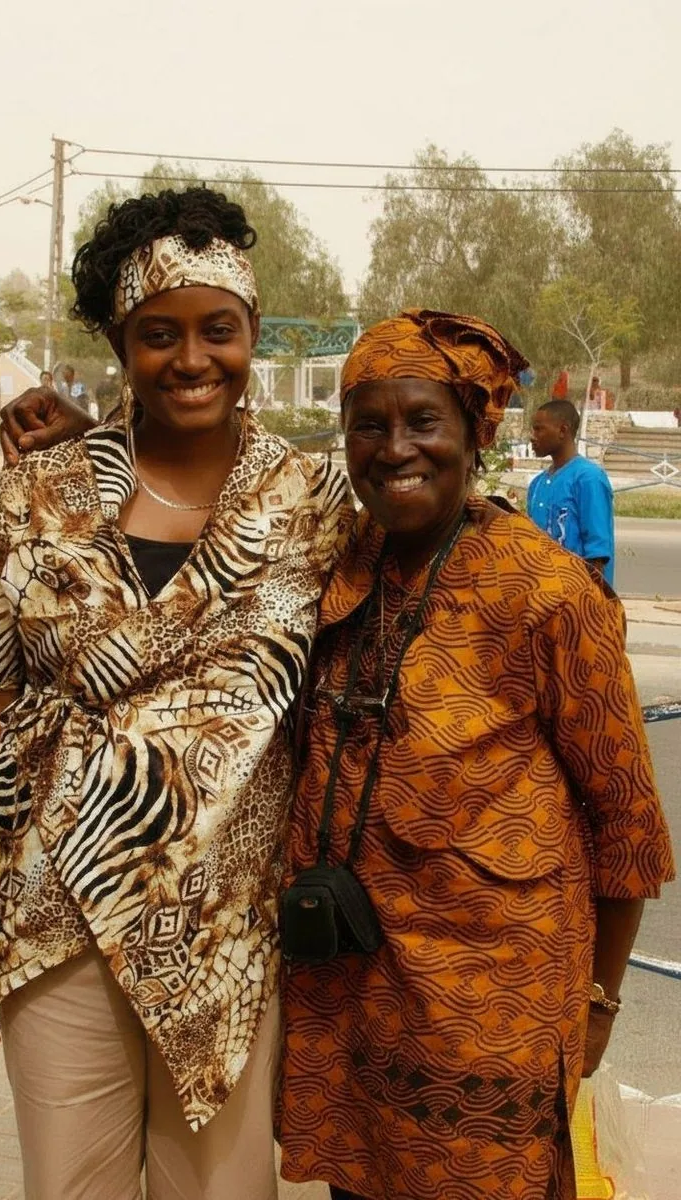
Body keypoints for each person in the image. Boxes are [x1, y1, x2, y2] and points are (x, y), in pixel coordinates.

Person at [0, 187, 353, 1200]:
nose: (192, 359)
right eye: (158, 334)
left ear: (254, 336)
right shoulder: (35, 497)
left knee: (222, 1192)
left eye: (219, 331)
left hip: (227, 927)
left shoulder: (314, 501)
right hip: (51, 912)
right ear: (121, 342)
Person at [275, 310, 673, 1200]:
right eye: (367, 426)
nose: (394, 448)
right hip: (354, 993)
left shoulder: (547, 593)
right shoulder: (342, 563)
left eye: (423, 421)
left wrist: (600, 999)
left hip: (493, 1009)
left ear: (473, 433)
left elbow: (628, 827)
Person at [527, 399, 615, 587]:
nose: (532, 436)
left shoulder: (588, 478)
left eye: (539, 429)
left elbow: (597, 552)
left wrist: (589, 603)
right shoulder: (537, 484)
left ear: (562, 431)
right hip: (544, 596)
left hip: (579, 598)